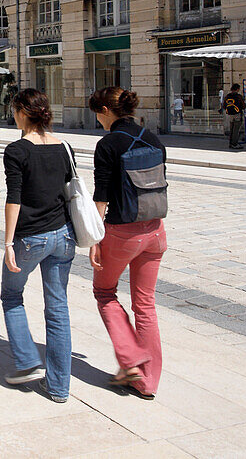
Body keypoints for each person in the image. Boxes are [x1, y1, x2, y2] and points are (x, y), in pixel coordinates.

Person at [87, 86, 168, 400]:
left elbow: (101, 196)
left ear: (106, 110)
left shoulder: (108, 144)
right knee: (145, 305)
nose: (98, 120)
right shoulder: (153, 138)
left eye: (98, 113)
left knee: (104, 292)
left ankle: (131, 359)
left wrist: (95, 238)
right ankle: (148, 382)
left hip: (122, 233)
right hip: (156, 231)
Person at [0, 89, 75, 402]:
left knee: (11, 295)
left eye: (14, 110)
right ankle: (59, 388)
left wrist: (7, 241)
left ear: (22, 113)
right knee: (58, 309)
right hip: (64, 236)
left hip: (31, 237)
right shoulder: (64, 147)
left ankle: (29, 361)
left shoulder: (17, 150)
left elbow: (14, 197)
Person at [223, 84, 245, 150]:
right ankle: (234, 144)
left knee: (231, 129)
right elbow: (243, 106)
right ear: (237, 89)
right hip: (237, 114)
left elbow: (224, 106)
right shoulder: (239, 96)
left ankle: (231, 143)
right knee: (236, 130)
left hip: (230, 115)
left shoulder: (227, 96)